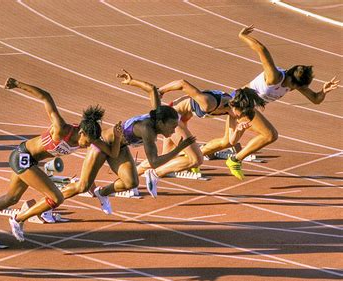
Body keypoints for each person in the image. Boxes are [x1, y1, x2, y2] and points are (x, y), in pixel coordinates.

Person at [0, 78, 122, 241]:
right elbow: (46, 97)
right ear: (81, 132)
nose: (87, 146)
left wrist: (117, 137)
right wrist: (17, 84)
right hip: (22, 156)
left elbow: (113, 154)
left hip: (30, 162)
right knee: (56, 197)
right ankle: (18, 219)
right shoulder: (60, 129)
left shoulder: (90, 137)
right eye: (86, 142)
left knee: (12, 198)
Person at [201, 24, 339, 180]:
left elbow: (316, 100)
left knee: (226, 142)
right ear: (292, 79)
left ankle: (193, 156)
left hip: (241, 105)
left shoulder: (294, 84)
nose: (296, 90)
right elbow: (261, 49)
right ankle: (234, 160)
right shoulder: (274, 77)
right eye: (299, 87)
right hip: (242, 103)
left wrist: (324, 91)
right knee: (270, 135)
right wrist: (242, 36)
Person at [59, 70, 196, 213]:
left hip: (120, 147)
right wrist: (178, 149)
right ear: (161, 123)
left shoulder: (157, 113)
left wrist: (131, 81)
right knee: (83, 186)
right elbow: (154, 162)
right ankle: (51, 203)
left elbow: (152, 89)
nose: (174, 131)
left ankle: (102, 193)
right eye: (172, 127)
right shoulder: (146, 130)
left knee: (131, 182)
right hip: (102, 144)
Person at [137, 78, 265, 182]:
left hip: (183, 119)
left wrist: (238, 129)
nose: (241, 116)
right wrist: (160, 91)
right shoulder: (209, 102)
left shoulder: (233, 112)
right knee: (196, 159)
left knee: (165, 160)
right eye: (242, 112)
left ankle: (135, 172)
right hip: (173, 117)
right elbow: (182, 84)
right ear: (234, 105)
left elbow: (231, 141)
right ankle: (151, 174)